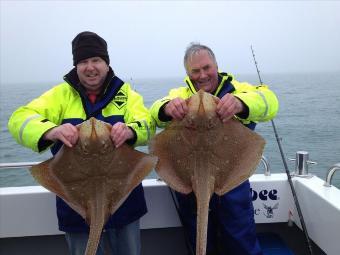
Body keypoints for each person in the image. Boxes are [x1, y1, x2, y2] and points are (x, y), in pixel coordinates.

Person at [8, 31, 154, 255]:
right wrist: (51, 130)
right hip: (76, 204)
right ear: (76, 66)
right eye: (83, 61)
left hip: (124, 203)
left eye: (96, 60)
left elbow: (147, 124)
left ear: (106, 63)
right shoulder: (60, 95)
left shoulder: (126, 95)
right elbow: (19, 119)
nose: (90, 67)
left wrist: (130, 130)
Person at [150, 43, 279, 255]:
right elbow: (155, 111)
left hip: (232, 183)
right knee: (200, 243)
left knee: (241, 243)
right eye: (195, 71)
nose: (202, 75)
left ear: (216, 65)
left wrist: (240, 103)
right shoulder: (179, 94)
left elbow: (269, 101)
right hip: (190, 185)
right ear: (188, 73)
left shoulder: (239, 89)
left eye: (207, 68)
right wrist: (167, 107)